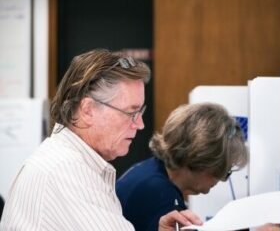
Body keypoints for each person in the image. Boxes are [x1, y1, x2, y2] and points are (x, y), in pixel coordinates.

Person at [0, 49, 201, 230]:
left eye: (140, 112)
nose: (140, 125)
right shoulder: (66, 171)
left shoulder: (68, 161)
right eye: (130, 113)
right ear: (87, 111)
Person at [116, 102, 249, 231]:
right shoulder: (162, 199)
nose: (221, 179)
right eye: (224, 170)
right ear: (203, 159)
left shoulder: (151, 172)